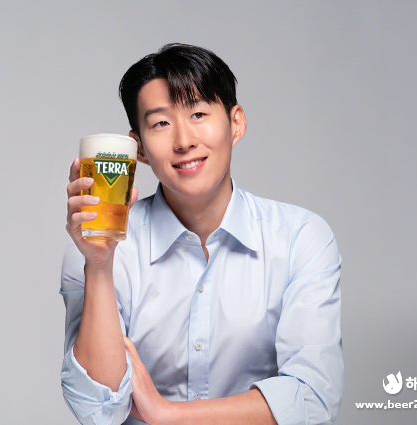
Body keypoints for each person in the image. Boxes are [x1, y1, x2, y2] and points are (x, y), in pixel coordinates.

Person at [61, 43, 343, 425]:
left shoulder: (299, 238)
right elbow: (98, 410)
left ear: (236, 123)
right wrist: (98, 265)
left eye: (198, 114)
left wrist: (167, 414)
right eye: (161, 123)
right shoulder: (99, 246)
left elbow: (313, 400)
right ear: (138, 148)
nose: (184, 141)